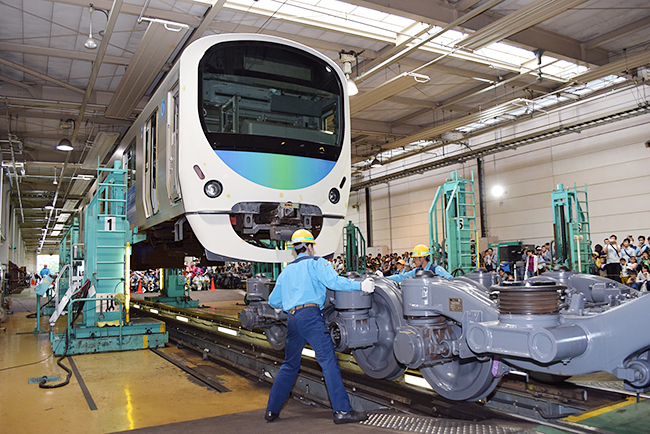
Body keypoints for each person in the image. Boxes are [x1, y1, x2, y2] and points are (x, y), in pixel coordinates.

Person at [265, 229, 373, 425]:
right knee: (328, 361)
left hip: (293, 319)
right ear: (309, 246)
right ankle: (342, 411)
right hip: (311, 317)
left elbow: (273, 301)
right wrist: (360, 286)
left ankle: (272, 411)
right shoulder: (317, 263)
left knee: (290, 364)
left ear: (295, 249)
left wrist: (290, 304)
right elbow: (334, 282)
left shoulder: (287, 270)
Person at [386, 244, 452, 284]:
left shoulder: (436, 270)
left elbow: (451, 281)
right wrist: (384, 279)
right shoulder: (417, 271)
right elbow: (401, 277)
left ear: (422, 258)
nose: (414, 260)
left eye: (415, 258)